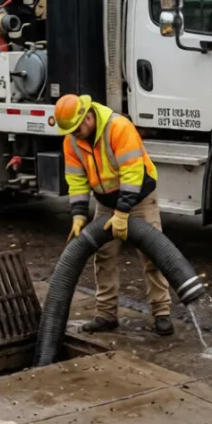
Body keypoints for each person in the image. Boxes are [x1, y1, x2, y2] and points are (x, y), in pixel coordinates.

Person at [54, 93, 174, 336]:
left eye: (77, 128)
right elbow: (76, 180)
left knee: (152, 255)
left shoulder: (119, 127)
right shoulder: (72, 141)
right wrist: (78, 215)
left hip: (139, 197)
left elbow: (132, 174)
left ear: (88, 116)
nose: (75, 134)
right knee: (104, 256)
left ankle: (162, 313)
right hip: (106, 202)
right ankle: (106, 315)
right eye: (71, 131)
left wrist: (123, 212)